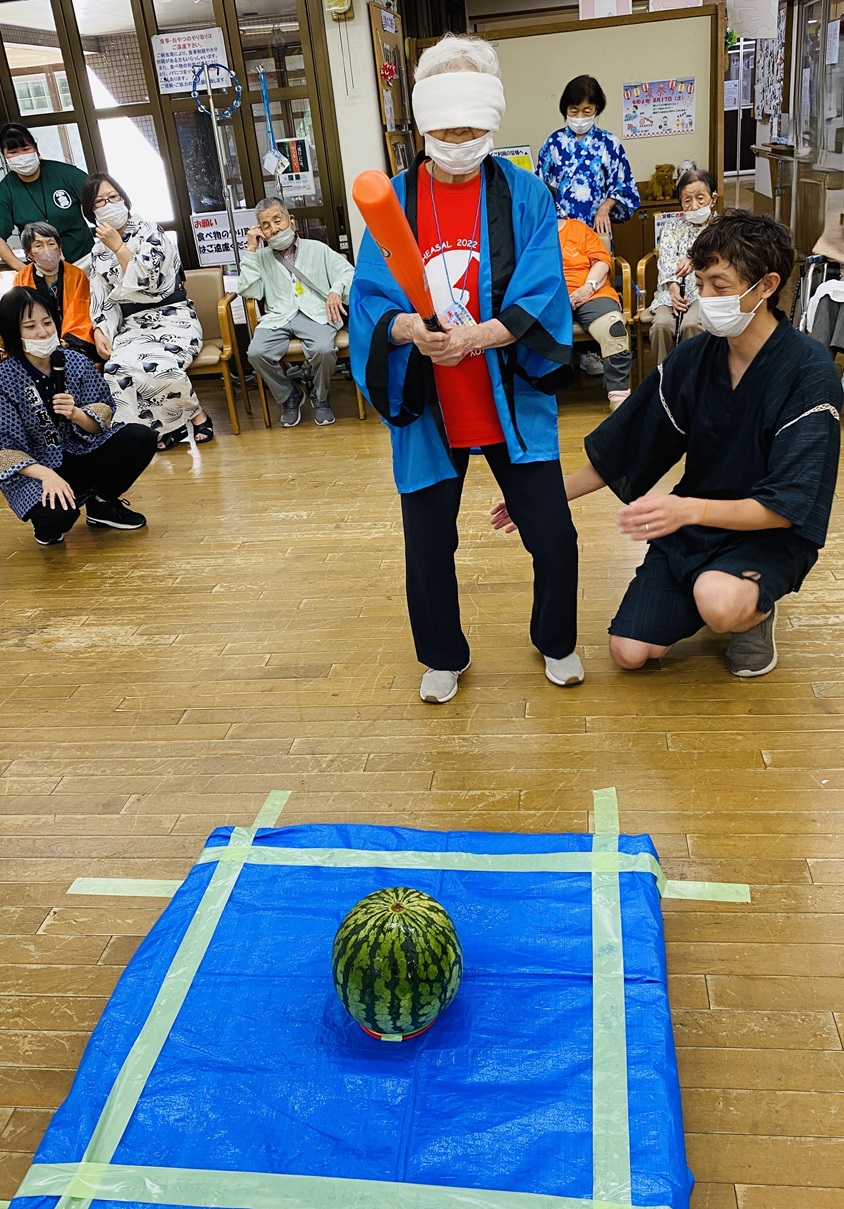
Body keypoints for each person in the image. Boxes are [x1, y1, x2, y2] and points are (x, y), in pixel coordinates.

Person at [492, 210, 841, 678]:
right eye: (700, 283)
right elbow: (628, 443)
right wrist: (538, 498)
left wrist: (686, 510)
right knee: (629, 652)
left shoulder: (809, 372)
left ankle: (753, 613)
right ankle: (710, 587)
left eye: (720, 285)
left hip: (768, 536)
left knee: (718, 601)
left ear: (766, 285)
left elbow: (788, 506)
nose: (706, 297)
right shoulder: (695, 358)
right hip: (695, 527)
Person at [350, 34, 580, 705]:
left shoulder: (527, 195)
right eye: (447, 125)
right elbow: (370, 303)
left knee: (554, 536)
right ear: (424, 119)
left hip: (509, 397)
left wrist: (477, 337)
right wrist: (409, 330)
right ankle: (442, 653)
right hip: (428, 404)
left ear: (492, 117)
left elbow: (542, 292)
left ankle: (556, 638)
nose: (459, 137)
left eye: (472, 124)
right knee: (426, 546)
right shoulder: (390, 201)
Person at [0, 287, 156, 546]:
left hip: (79, 451)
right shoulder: (4, 379)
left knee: (140, 437)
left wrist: (76, 414)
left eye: (47, 322)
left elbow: (103, 414)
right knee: (57, 518)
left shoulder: (74, 361)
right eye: (30, 327)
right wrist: (47, 476)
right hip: (36, 468)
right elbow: (4, 450)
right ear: (13, 333)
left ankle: (102, 505)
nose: (43, 332)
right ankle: (48, 523)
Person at [82, 172, 211, 451]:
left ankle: (194, 414)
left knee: (159, 364)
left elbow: (149, 279)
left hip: (173, 316)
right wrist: (100, 330)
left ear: (124, 199)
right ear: (91, 212)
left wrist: (118, 247)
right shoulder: (96, 251)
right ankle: (151, 432)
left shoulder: (151, 231)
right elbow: (103, 297)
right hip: (134, 324)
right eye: (100, 202)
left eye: (113, 197)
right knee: (117, 368)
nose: (109, 204)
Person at [537, 76, 639, 377]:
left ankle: (594, 355)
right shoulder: (553, 144)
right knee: (561, 290)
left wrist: (607, 205)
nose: (580, 116)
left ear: (597, 109)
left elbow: (627, 189)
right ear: (565, 109)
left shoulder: (610, 144)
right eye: (574, 109)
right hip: (559, 234)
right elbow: (542, 191)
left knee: (593, 291)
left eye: (587, 110)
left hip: (595, 233)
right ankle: (565, 361)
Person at [237, 198, 354, 427]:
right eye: (266, 225)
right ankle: (290, 395)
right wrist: (250, 250)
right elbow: (248, 289)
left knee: (322, 349)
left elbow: (348, 273)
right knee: (256, 353)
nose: (274, 228)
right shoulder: (259, 258)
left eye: (277, 220)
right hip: (279, 316)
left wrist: (335, 290)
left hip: (315, 313)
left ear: (291, 220)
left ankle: (320, 397)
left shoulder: (317, 249)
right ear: (260, 231)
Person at [558, 215, 631, 409]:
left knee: (613, 326)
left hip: (590, 293)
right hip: (548, 296)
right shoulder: (526, 232)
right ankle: (539, 395)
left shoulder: (578, 229)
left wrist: (588, 288)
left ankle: (618, 395)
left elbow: (602, 261)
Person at [0, 123, 93, 272]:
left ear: (36, 149)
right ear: (4, 155)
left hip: (86, 259)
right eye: (13, 152)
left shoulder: (64, 173)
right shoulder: (5, 190)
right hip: (43, 269)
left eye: (26, 149)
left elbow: (99, 199)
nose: (21, 157)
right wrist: (23, 269)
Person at [649, 169, 717, 365]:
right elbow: (666, 261)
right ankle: (663, 379)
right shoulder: (671, 227)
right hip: (672, 292)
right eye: (687, 201)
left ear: (713, 198)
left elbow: (722, 260)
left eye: (700, 198)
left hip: (706, 291)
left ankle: (692, 379)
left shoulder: (721, 227)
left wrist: (695, 260)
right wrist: (673, 289)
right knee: (661, 325)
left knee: (691, 324)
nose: (694, 206)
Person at [14, 222, 97, 360]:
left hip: (72, 342)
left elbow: (81, 312)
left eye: (51, 243)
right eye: (38, 245)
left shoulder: (77, 275)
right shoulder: (22, 278)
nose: (47, 250)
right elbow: (19, 316)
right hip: (38, 340)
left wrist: (66, 341)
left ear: (59, 246)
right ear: (29, 253)